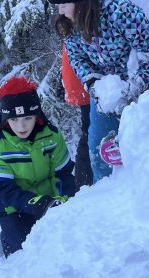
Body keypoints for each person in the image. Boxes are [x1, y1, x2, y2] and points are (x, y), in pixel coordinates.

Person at [49, 0, 149, 183]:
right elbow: (77, 59)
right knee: (99, 147)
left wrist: (133, 87)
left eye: (64, 3)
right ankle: (104, 191)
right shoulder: (69, 24)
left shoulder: (121, 12)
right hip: (104, 94)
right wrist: (94, 84)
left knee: (139, 145)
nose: (60, 10)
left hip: (138, 91)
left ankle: (144, 188)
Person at [0, 76, 76, 257]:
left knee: (69, 245)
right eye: (14, 120)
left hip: (52, 201)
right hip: (14, 210)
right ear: (6, 118)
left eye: (27, 118)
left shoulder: (52, 136)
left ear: (37, 115)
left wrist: (65, 200)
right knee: (21, 255)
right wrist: (35, 203)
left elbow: (63, 174)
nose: (21, 126)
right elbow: (2, 191)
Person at [56, 13, 93, 191]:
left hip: (81, 79)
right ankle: (84, 183)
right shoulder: (81, 12)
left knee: (89, 130)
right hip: (86, 80)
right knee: (90, 131)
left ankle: (83, 182)